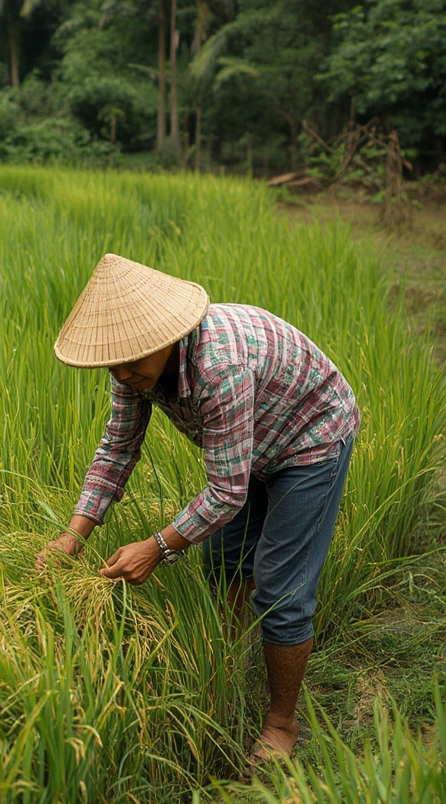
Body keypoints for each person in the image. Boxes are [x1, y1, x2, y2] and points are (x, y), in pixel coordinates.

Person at [36, 253, 360, 773]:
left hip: (311, 437)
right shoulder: (133, 367)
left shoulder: (219, 366)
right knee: (224, 559)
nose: (121, 372)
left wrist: (157, 547)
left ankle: (282, 722)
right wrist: (73, 536)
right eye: (113, 362)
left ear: (168, 336)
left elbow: (226, 492)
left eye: (132, 360)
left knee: (281, 585)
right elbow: (118, 448)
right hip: (253, 443)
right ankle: (233, 661)